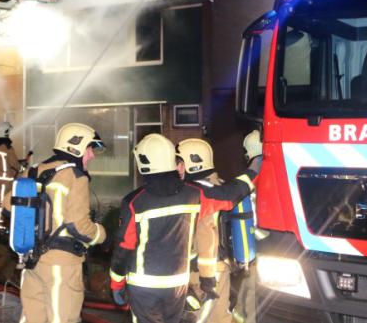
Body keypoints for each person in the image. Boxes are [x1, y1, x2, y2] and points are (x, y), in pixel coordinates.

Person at [110, 134, 253, 323]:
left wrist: (116, 283)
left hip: (144, 287)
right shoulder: (195, 193)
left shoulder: (134, 201)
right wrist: (256, 167)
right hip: (177, 286)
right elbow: (232, 193)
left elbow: (124, 248)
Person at [19, 122, 107, 323]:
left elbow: (8, 204)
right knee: (63, 319)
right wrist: (102, 234)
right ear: (76, 147)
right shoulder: (76, 176)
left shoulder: (33, 171)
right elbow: (78, 226)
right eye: (89, 149)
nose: (92, 155)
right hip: (61, 265)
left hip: (31, 261)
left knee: (32, 318)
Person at [177, 138, 229, 323]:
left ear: (193, 164)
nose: (177, 169)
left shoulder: (199, 194)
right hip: (222, 266)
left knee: (195, 318)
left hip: (203, 270)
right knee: (220, 317)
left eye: (180, 163)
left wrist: (206, 279)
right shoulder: (220, 187)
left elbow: (206, 235)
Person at [229, 130, 264, 323]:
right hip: (273, 246)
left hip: (251, 249)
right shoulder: (277, 172)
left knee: (247, 299)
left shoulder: (246, 179)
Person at [0, 121, 22, 227]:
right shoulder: (8, 148)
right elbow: (14, 163)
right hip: (5, 179)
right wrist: (21, 167)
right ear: (6, 132)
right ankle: (0, 220)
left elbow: (0, 161)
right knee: (3, 200)